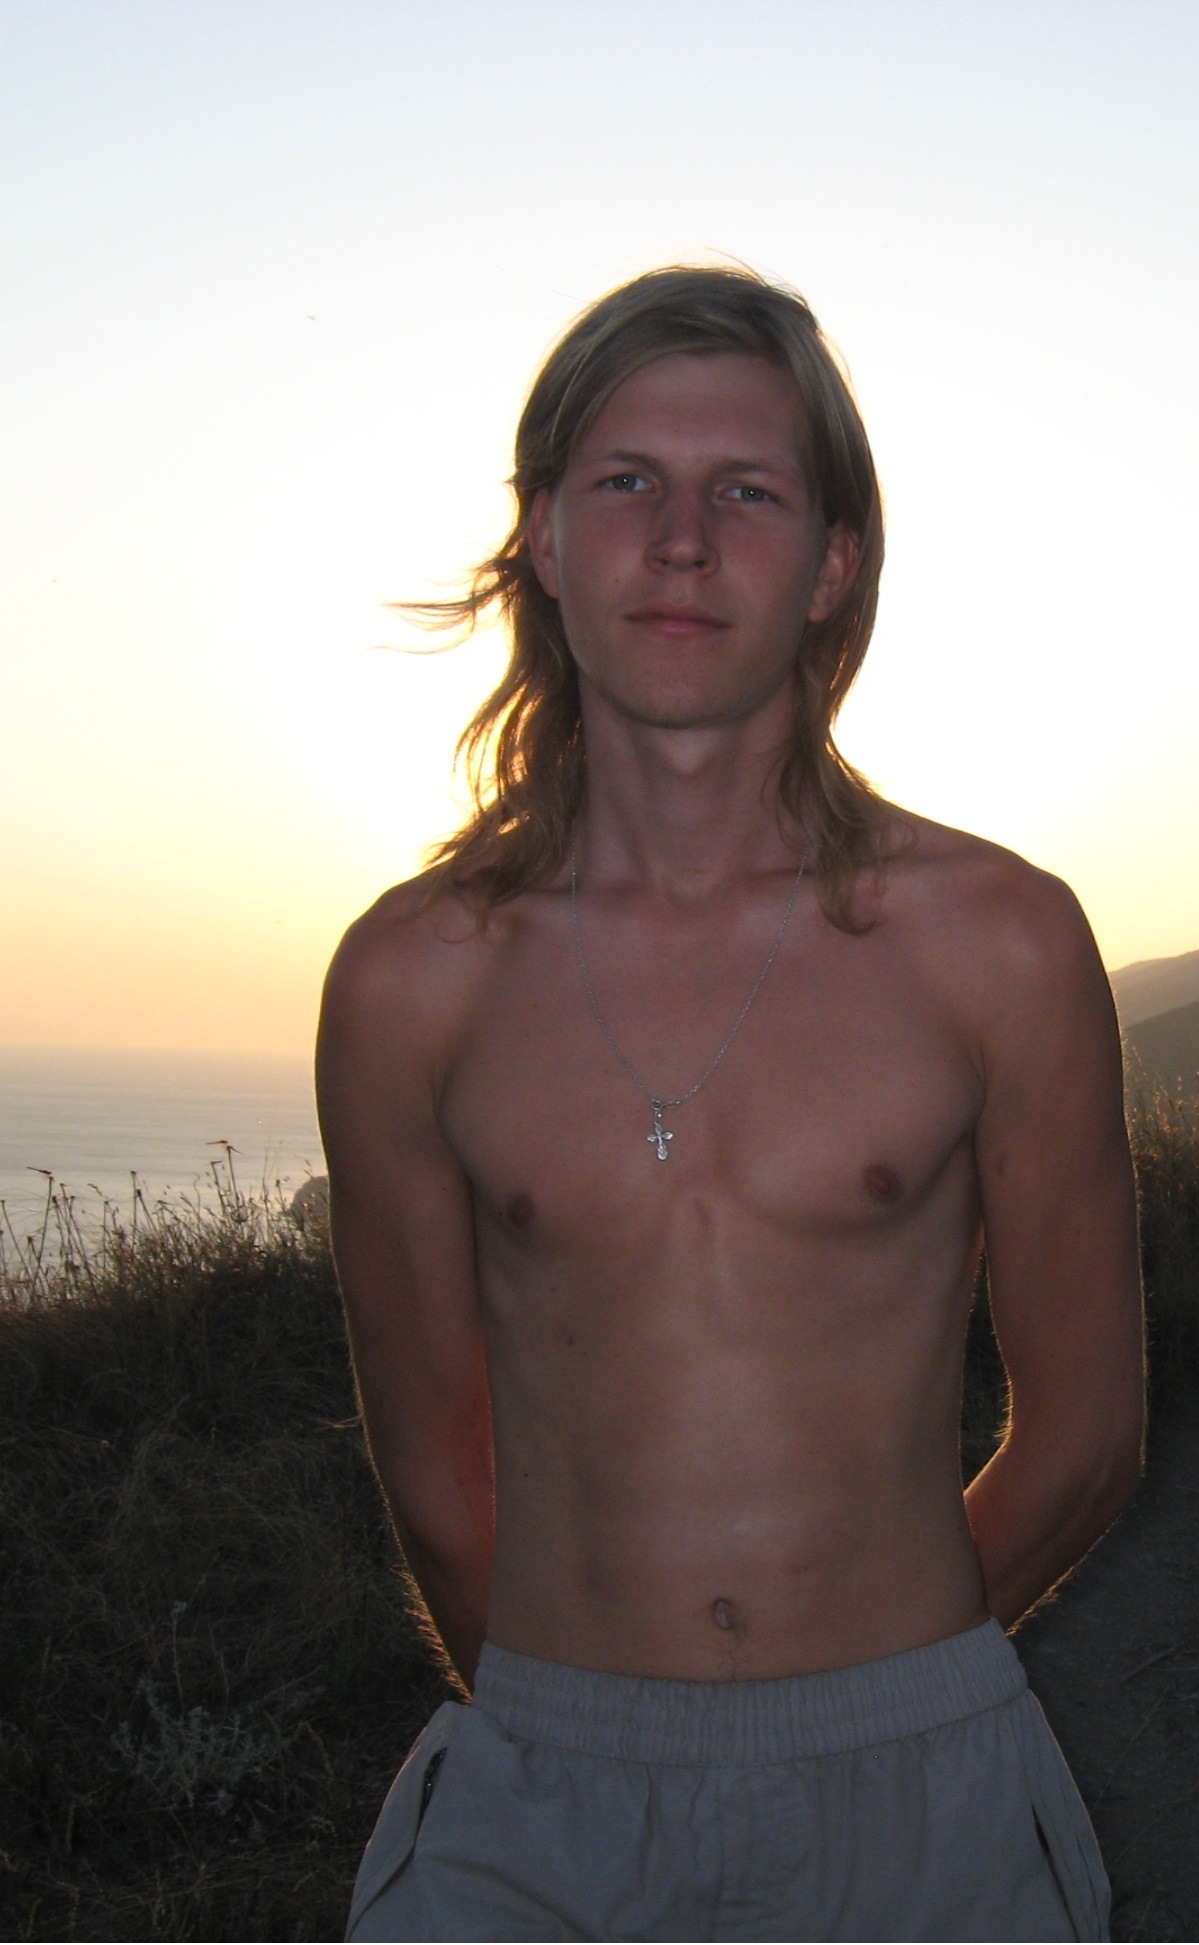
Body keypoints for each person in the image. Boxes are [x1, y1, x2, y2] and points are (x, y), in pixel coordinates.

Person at [316, 264, 1145, 1943]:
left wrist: (879, 1686)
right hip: (535, 1807)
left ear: (833, 560)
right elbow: (435, 1476)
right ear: (546, 539)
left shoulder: (996, 944)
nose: (682, 540)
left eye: (746, 491)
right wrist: (597, 1720)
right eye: (626, 480)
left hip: (924, 1792)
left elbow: (1085, 1431)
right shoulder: (413, 980)